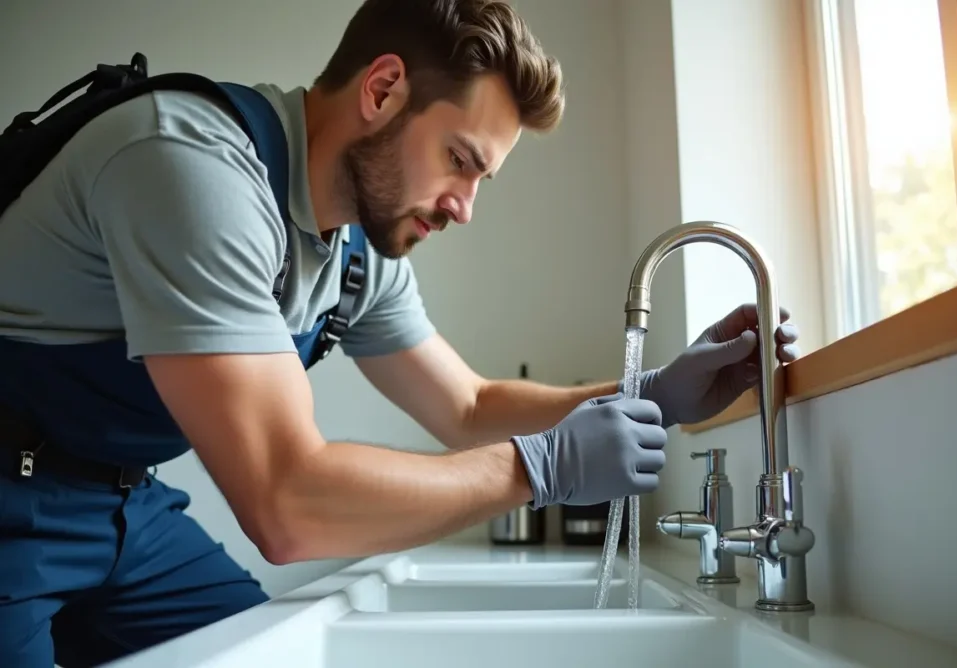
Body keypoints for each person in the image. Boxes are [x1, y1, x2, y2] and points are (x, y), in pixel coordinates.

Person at [0, 0, 800, 665]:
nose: (465, 206)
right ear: (382, 90)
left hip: (122, 505)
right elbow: (286, 502)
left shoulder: (358, 254)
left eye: (481, 178)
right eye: (459, 160)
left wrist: (653, 394)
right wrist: (541, 469)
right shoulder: (192, 168)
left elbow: (470, 406)